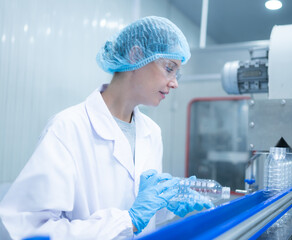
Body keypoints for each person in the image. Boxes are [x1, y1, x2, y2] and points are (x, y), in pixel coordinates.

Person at [0, 16, 212, 240]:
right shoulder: (68, 128)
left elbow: (141, 212)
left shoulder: (152, 132)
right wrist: (127, 221)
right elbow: (29, 229)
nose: (174, 83)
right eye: (169, 68)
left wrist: (166, 203)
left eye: (177, 74)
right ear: (136, 55)